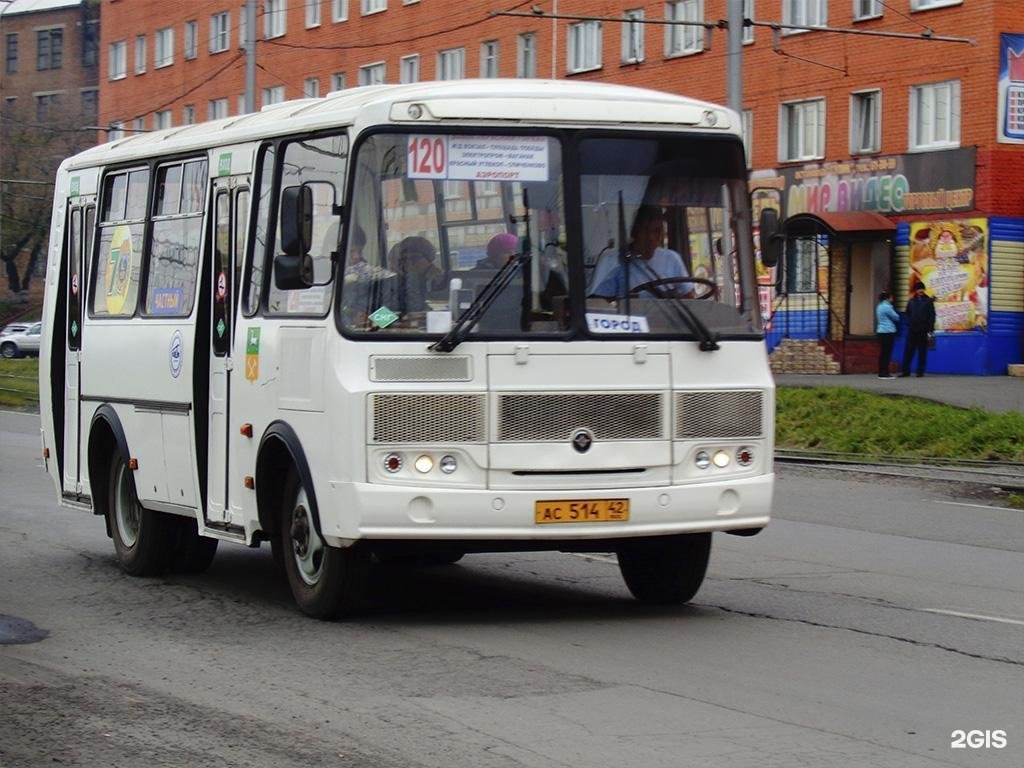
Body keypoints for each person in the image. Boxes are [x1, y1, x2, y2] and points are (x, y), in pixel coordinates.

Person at [591, 205, 691, 298]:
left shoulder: (672, 259)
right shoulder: (612, 261)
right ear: (634, 232)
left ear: (663, 234)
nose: (651, 237)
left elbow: (690, 299)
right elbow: (598, 303)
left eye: (656, 231)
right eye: (645, 230)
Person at [388, 235, 440, 313]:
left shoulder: (440, 279)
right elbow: (376, 316)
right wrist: (394, 323)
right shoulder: (394, 284)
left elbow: (421, 309)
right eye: (404, 259)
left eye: (414, 259)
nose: (408, 263)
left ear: (429, 258)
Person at [900, 280, 936, 378]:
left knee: (922, 352)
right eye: (918, 289)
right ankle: (905, 371)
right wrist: (909, 323)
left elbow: (932, 316)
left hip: (923, 330)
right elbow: (907, 313)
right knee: (908, 351)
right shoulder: (911, 301)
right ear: (916, 290)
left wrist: (930, 329)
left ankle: (920, 371)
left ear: (924, 290)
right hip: (912, 329)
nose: (920, 291)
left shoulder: (928, 301)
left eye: (922, 289)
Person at [875, 290, 900, 378]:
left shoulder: (879, 306)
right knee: (887, 353)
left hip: (881, 331)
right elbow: (896, 317)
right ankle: (885, 372)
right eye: (892, 297)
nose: (892, 299)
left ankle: (881, 371)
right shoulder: (887, 307)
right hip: (888, 331)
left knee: (883, 352)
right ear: (888, 298)